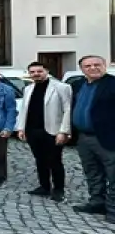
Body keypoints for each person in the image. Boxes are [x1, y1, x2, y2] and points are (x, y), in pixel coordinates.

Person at [16, 60, 72, 202]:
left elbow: (68, 110)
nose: (36, 74)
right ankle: (44, 186)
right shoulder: (28, 89)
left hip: (52, 130)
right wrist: (21, 128)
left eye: (39, 71)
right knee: (39, 160)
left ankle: (59, 190)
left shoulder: (61, 87)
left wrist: (63, 131)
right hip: (32, 130)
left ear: (46, 71)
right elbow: (24, 110)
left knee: (55, 161)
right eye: (33, 72)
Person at [69, 55, 115, 221]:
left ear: (104, 65)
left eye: (97, 64)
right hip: (84, 137)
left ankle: (113, 210)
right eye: (88, 66)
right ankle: (97, 203)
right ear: (82, 69)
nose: (93, 68)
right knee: (93, 172)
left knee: (113, 174)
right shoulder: (78, 85)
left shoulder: (112, 84)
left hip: (108, 138)